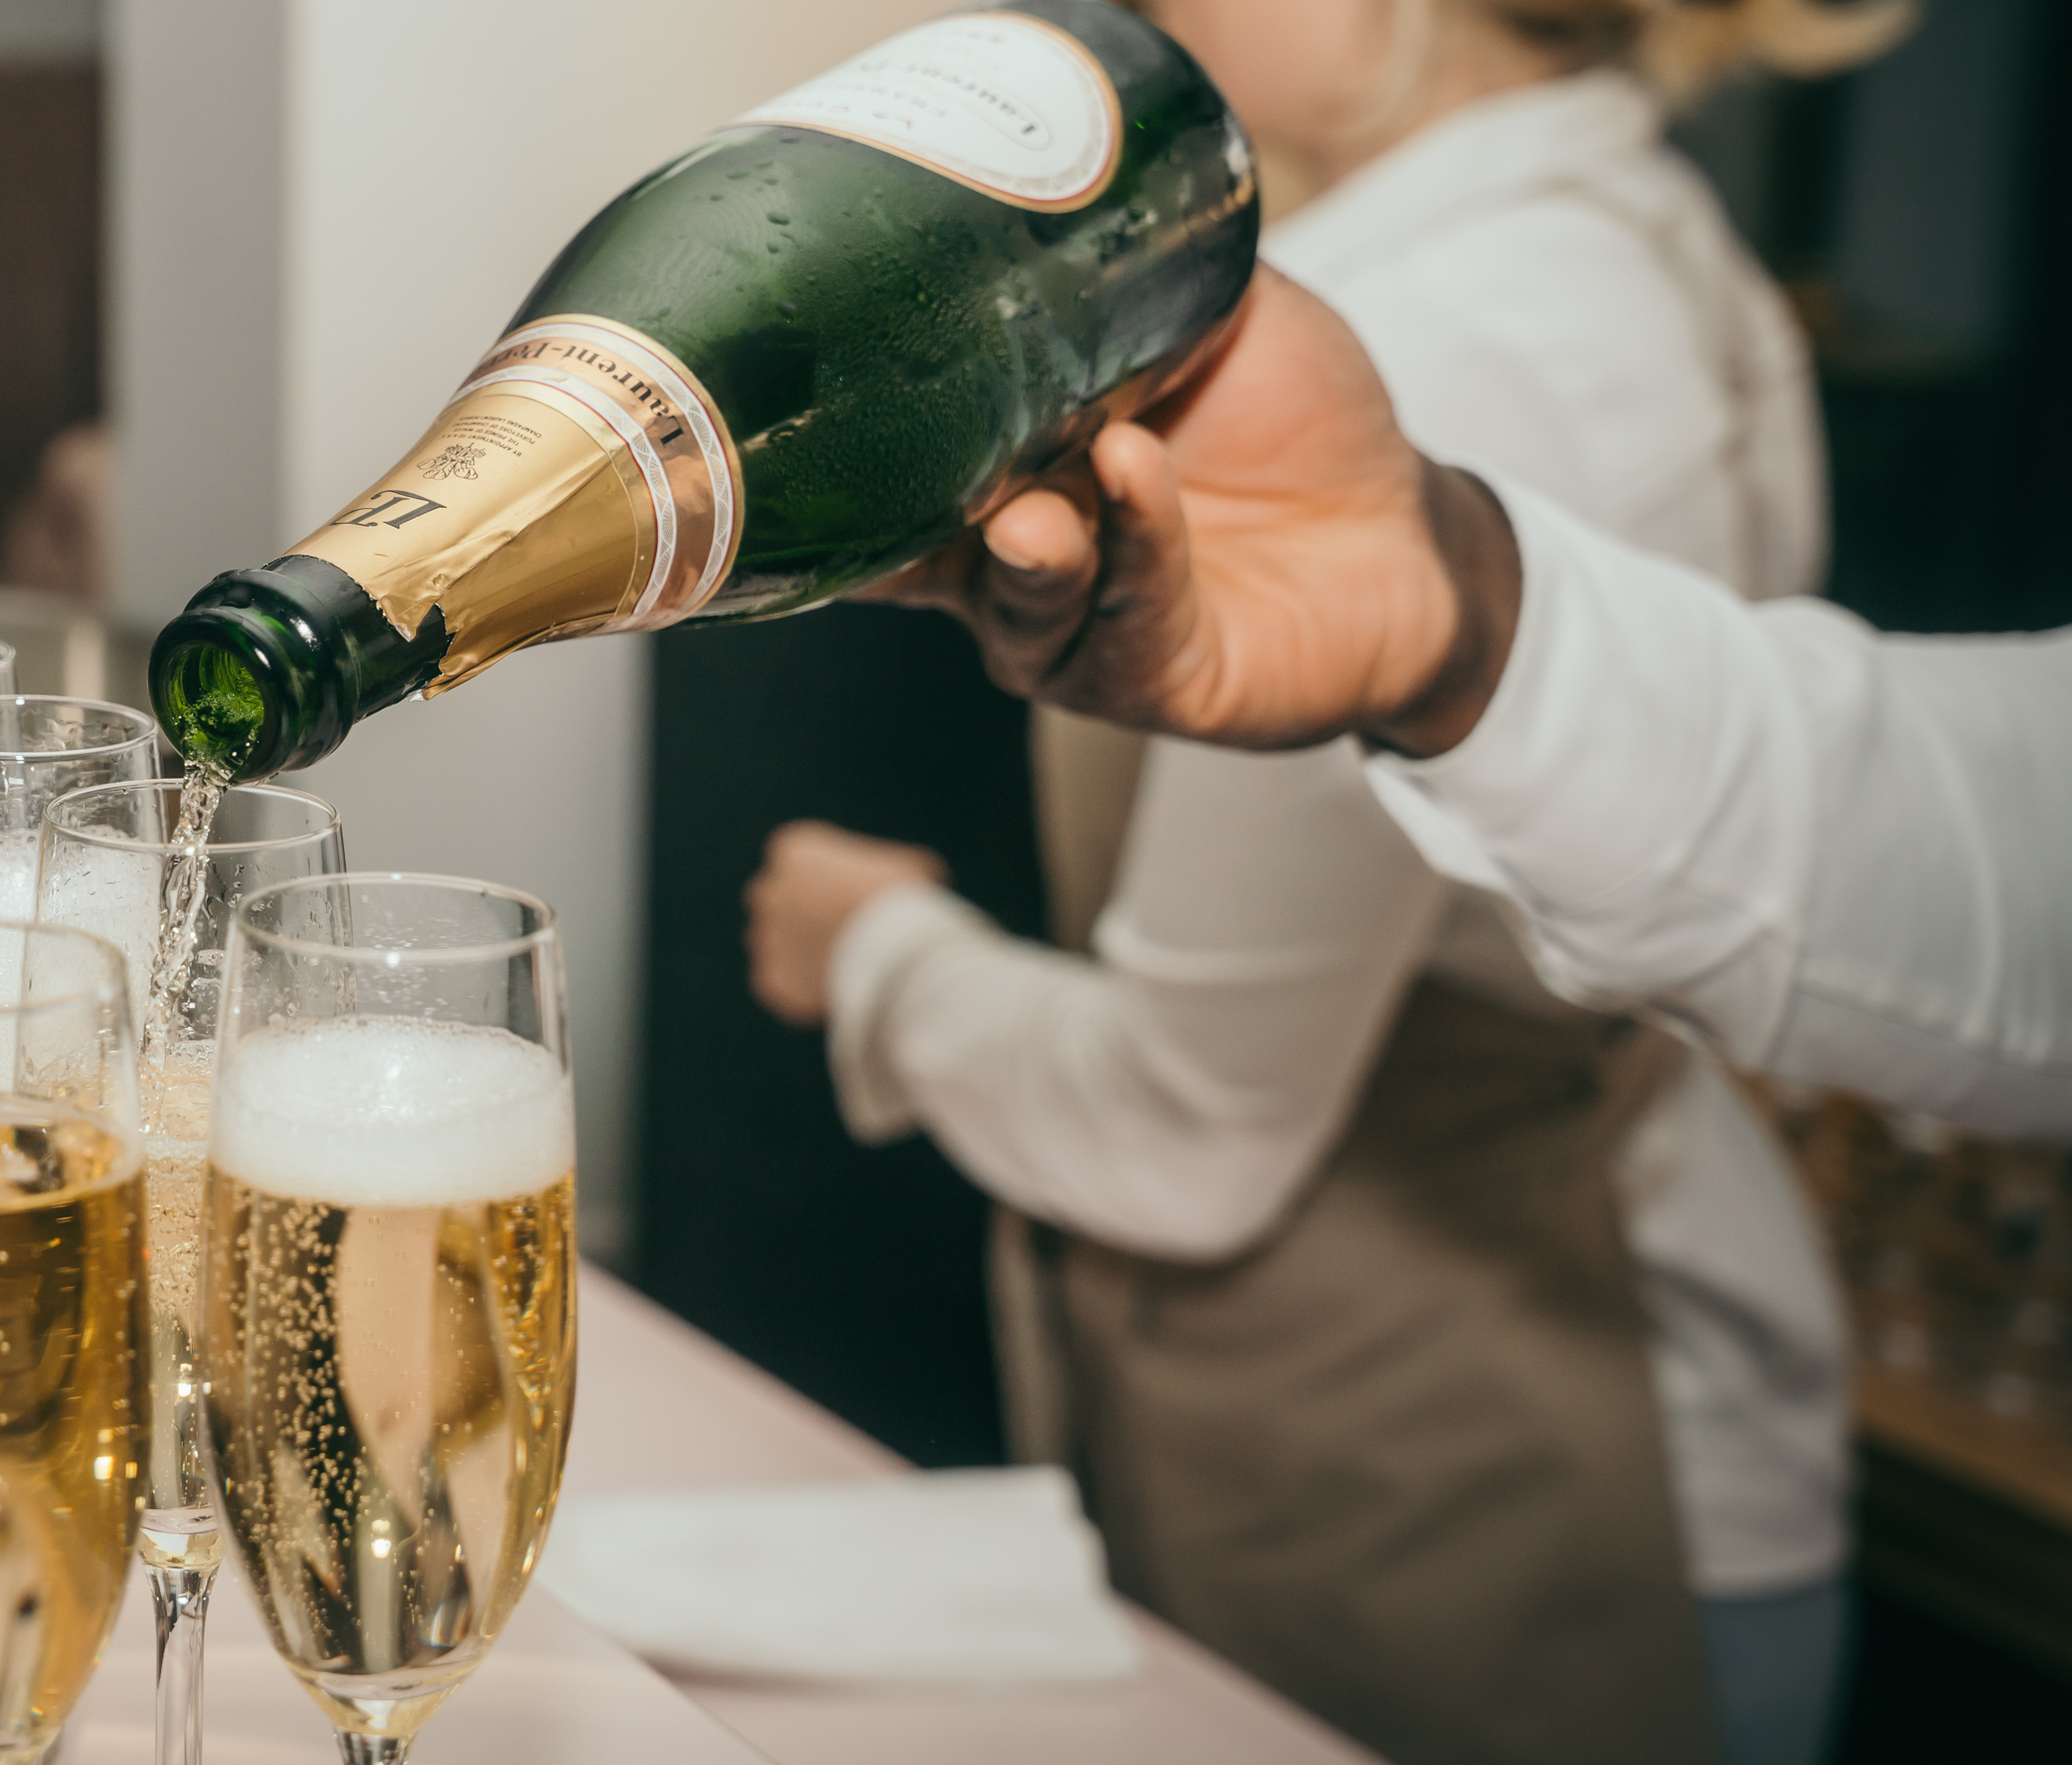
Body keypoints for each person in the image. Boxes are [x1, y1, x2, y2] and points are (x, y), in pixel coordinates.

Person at [741, 0, 1922, 1765]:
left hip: (1525, 1510)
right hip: (1585, 1449)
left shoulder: (1441, 349)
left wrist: (879, 955)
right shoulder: (1613, 234)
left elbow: (1191, 1135)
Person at [885, 265, 2072, 1129]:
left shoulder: (1454, 322)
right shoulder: (1637, 232)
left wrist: (872, 959)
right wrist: (1459, 621)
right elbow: (2000, 848)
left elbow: (1196, 1122)